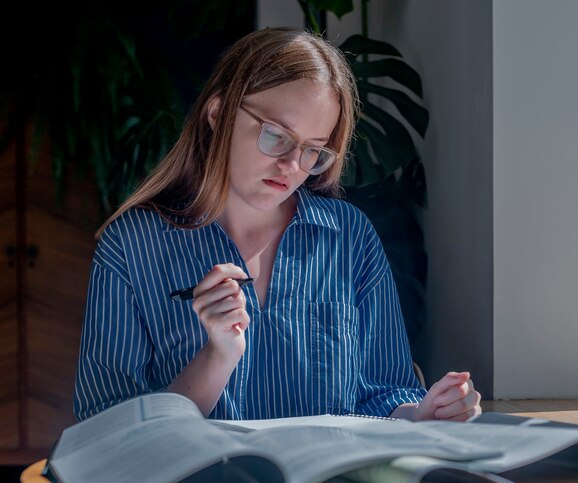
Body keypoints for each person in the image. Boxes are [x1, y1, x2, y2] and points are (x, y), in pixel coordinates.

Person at [73, 26, 481, 423]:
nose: (291, 166)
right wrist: (217, 357)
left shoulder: (350, 236)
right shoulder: (131, 246)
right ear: (219, 114)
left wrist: (422, 413)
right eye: (276, 135)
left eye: (313, 151)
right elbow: (108, 427)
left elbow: (384, 392)